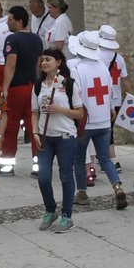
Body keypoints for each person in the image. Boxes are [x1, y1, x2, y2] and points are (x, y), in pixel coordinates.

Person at [69, 31, 126, 208]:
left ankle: (82, 193)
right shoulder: (102, 66)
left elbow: (75, 94)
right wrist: (110, 108)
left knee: (79, 159)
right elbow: (108, 91)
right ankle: (117, 187)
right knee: (106, 159)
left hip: (85, 121)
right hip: (103, 119)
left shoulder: (76, 68)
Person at [33, 47, 85, 233]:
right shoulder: (39, 85)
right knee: (43, 177)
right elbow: (34, 112)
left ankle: (67, 215)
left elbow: (79, 112)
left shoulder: (69, 84)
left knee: (65, 176)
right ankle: (50, 210)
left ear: (58, 63)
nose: (44, 63)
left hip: (65, 136)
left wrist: (59, 109)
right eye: (42, 60)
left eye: (48, 59)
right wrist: (35, 132)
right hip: (45, 137)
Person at [0, 5, 44, 176]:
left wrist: (5, 88)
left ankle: (7, 165)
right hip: (32, 87)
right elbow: (38, 65)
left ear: (19, 21)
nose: (8, 23)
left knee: (11, 126)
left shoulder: (12, 39)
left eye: (10, 19)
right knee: (33, 127)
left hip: (16, 88)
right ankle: (38, 164)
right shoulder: (37, 39)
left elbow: (11, 64)